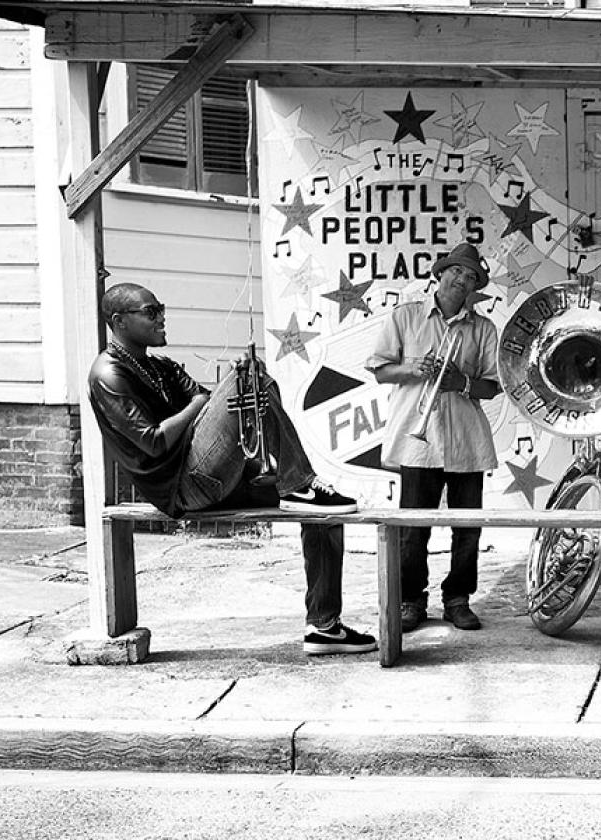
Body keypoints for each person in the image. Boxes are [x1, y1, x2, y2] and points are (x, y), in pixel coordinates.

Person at [87, 283, 374, 656]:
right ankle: (298, 481)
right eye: (151, 311)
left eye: (162, 307)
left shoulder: (158, 365)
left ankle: (324, 628)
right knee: (250, 377)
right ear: (119, 321)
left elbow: (207, 406)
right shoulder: (108, 374)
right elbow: (155, 440)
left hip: (212, 473)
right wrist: (198, 407)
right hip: (184, 488)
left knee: (325, 514)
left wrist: (207, 405)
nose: (162, 317)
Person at [367, 243, 501, 633]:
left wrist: (461, 382)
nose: (463, 280)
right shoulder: (406, 317)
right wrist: (415, 369)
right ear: (440, 274)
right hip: (418, 439)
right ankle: (411, 600)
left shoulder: (483, 328)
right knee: (412, 530)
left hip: (466, 441)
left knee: (467, 528)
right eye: (458, 271)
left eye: (471, 276)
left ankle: (458, 600)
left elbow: (493, 387)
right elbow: (380, 370)